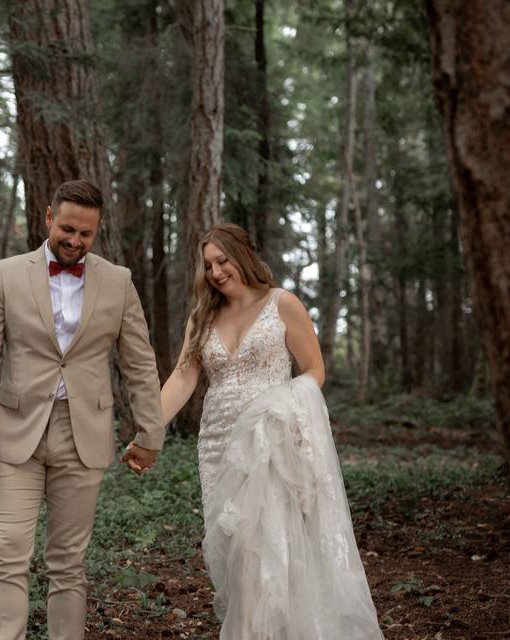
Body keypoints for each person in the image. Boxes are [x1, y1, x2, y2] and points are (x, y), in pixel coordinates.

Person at [0, 179, 164, 640]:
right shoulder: (5, 274)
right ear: (49, 218)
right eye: (67, 228)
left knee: (69, 563)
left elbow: (139, 362)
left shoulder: (119, 281)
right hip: (14, 433)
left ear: (98, 232)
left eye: (86, 234)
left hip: (83, 434)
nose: (75, 240)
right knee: (8, 553)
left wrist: (149, 435)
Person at [159, 223, 383, 639]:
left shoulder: (283, 303)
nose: (216, 272)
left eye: (223, 260)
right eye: (208, 265)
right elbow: (183, 378)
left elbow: (314, 370)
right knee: (236, 548)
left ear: (243, 253)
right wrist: (148, 428)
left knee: (267, 546)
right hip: (218, 445)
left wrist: (283, 406)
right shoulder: (203, 315)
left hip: (272, 439)